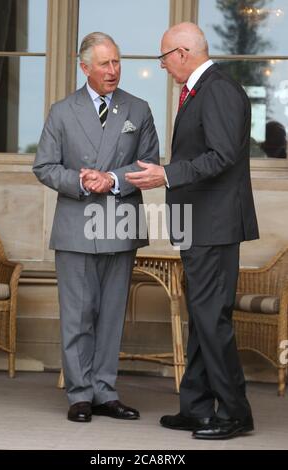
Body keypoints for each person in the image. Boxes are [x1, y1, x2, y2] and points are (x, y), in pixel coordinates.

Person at [126, 22, 259, 440]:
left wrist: (166, 175)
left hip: (214, 226)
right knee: (200, 318)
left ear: (183, 53)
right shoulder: (201, 91)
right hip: (198, 224)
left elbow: (222, 156)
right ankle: (198, 408)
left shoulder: (218, 90)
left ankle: (236, 413)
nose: (162, 66)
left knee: (211, 319)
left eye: (164, 57)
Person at [33, 32, 159, 423]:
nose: (113, 70)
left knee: (111, 315)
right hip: (76, 224)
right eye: (104, 64)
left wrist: (113, 179)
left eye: (117, 62)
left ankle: (106, 391)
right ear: (84, 67)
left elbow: (149, 164)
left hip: (120, 222)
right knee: (77, 314)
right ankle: (80, 394)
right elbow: (44, 166)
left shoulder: (138, 109)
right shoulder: (61, 111)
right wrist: (82, 181)